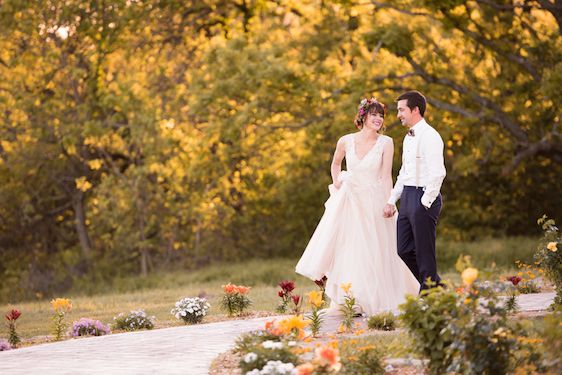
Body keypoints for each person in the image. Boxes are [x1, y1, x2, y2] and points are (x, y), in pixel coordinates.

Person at [296, 98, 419, 315]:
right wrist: (336, 181)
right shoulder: (345, 140)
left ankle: (378, 297)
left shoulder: (386, 142)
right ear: (363, 117)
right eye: (374, 114)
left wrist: (389, 202)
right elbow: (335, 163)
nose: (378, 119)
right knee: (352, 249)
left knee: (378, 250)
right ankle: (353, 299)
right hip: (351, 200)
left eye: (381, 115)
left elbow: (385, 176)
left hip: (374, 200)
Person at [383, 91, 446, 291]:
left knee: (424, 252)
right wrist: (393, 199)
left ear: (415, 110)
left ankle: (428, 298)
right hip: (408, 196)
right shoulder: (408, 137)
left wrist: (424, 203)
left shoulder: (431, 136)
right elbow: (405, 172)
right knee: (403, 249)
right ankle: (435, 285)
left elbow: (438, 174)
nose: (398, 114)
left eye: (401, 110)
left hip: (424, 196)